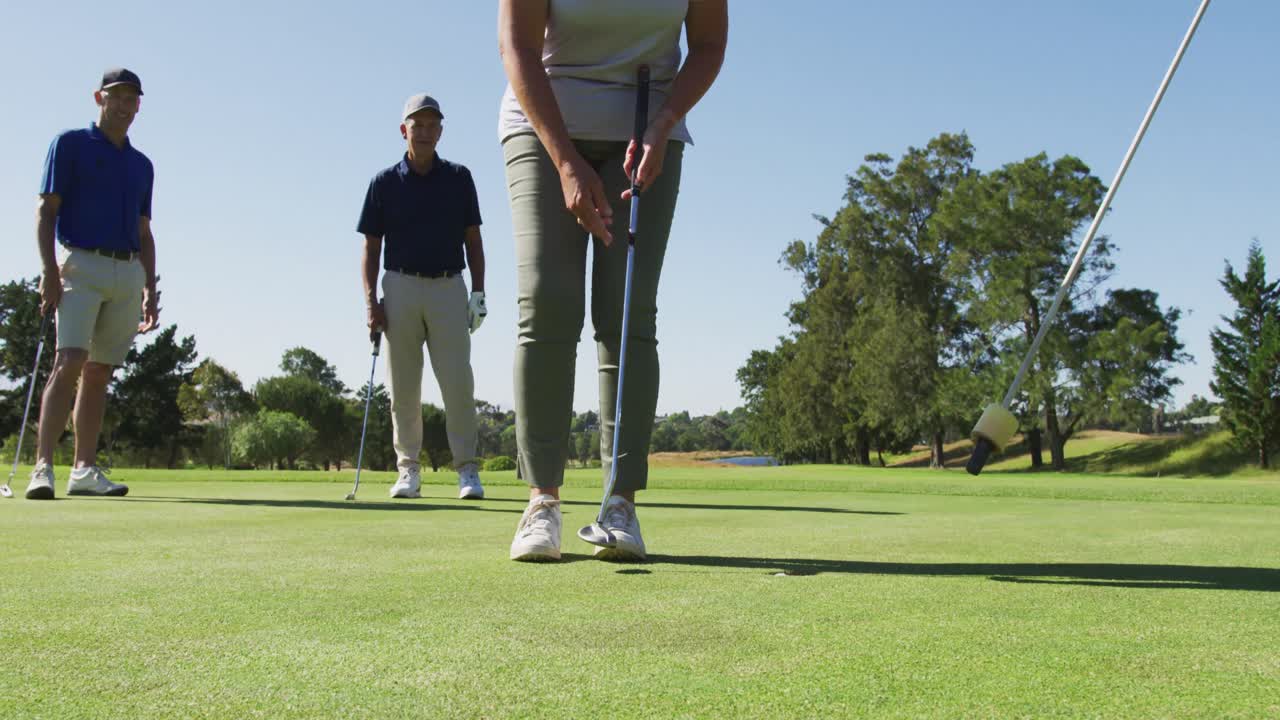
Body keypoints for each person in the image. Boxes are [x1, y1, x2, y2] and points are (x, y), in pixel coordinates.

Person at [497, 0, 727, 560]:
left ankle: (619, 503)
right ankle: (542, 502)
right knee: (549, 301)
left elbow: (709, 45)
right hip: (543, 127)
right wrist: (566, 162)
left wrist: (666, 121)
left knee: (625, 312)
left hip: (646, 132)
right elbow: (518, 47)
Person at [25, 68, 160, 500]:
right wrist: (48, 270)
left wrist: (149, 288)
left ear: (139, 105)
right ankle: (42, 467)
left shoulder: (142, 164)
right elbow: (46, 211)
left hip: (127, 270)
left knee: (100, 370)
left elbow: (144, 230)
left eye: (131, 99)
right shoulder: (69, 144)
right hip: (79, 263)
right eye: (116, 97)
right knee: (70, 361)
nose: (124, 106)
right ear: (99, 98)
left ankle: (83, 470)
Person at [358, 93, 489, 500]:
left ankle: (467, 470)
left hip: (450, 286)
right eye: (419, 125)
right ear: (404, 131)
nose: (426, 131)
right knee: (404, 388)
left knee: (457, 385)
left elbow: (474, 240)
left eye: (433, 125)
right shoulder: (383, 183)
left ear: (441, 131)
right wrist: (371, 303)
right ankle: (408, 470)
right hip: (400, 286)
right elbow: (371, 249)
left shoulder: (459, 178)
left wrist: (480, 292)